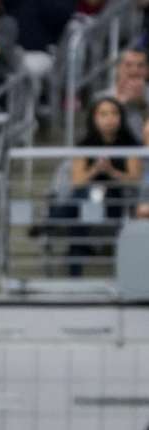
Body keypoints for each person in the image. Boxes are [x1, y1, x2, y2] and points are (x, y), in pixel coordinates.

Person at [62, 97, 143, 276]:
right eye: (103, 114)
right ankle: (77, 260)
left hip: (117, 201)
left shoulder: (130, 144)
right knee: (82, 200)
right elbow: (77, 181)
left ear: (121, 117)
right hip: (87, 200)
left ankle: (58, 221)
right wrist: (95, 169)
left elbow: (134, 179)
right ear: (94, 118)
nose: (110, 119)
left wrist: (111, 171)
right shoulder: (84, 145)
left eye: (114, 113)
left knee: (76, 206)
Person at [97, 48, 149, 137]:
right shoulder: (101, 98)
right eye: (128, 65)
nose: (134, 70)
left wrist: (143, 105)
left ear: (147, 70)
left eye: (140, 65)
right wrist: (118, 105)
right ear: (118, 69)